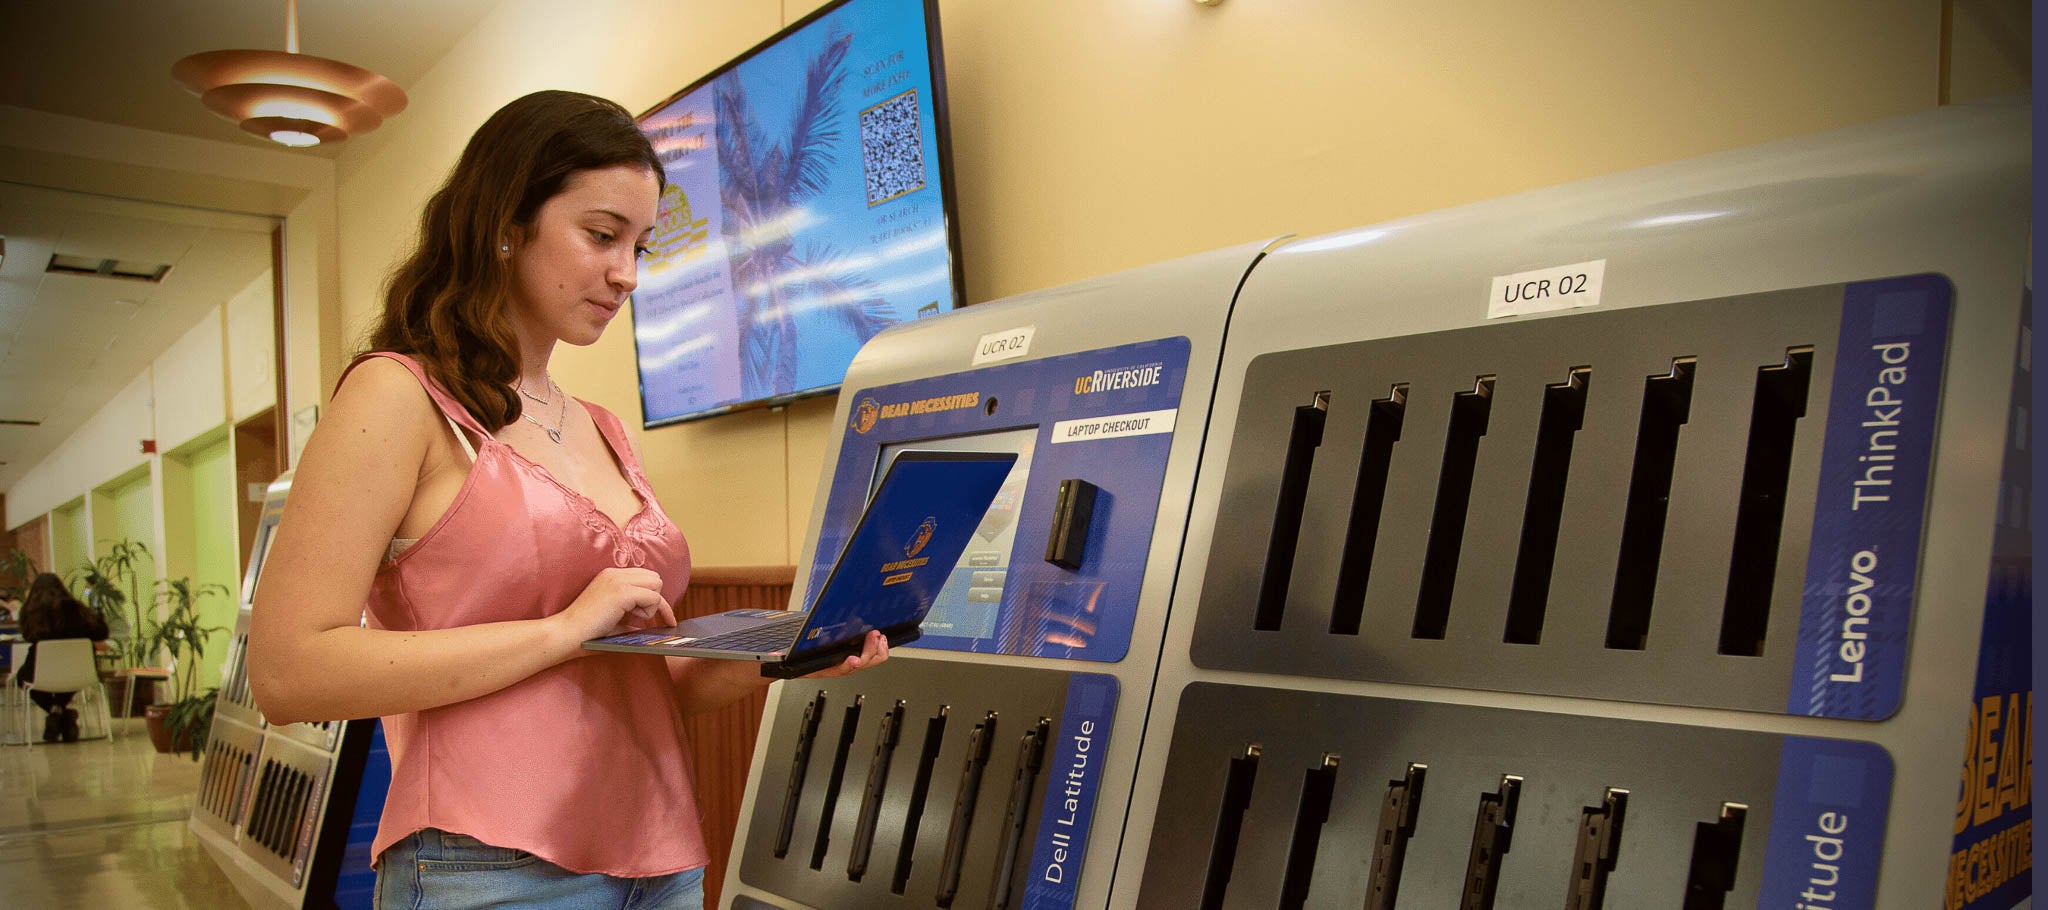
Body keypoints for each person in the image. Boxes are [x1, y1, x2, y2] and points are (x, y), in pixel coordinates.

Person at [246, 91, 889, 910]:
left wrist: (790, 655)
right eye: (600, 235)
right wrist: (560, 631)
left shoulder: (606, 429)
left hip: (663, 860)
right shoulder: (396, 396)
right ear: (506, 223)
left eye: (641, 245)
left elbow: (654, 689)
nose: (626, 273)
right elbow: (289, 669)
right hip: (488, 868)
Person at [15, 572, 109, 742]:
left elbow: (28, 637)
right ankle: (62, 714)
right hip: (79, 670)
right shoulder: (76, 608)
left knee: (23, 679)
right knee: (70, 678)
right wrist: (96, 608)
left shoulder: (30, 612)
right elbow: (101, 632)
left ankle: (57, 713)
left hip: (40, 671)